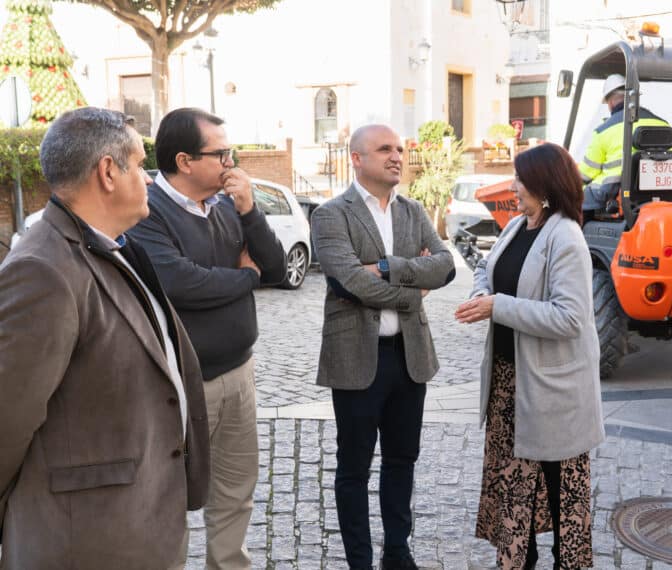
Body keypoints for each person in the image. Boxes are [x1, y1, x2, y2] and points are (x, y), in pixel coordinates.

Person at [0, 107, 210, 568]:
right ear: (108, 172)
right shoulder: (43, 269)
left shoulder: (114, 246)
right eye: (139, 164)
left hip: (137, 524)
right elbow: (7, 420)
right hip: (86, 540)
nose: (149, 178)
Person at [128, 107, 286, 569]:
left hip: (239, 372)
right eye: (221, 154)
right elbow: (180, 283)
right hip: (181, 384)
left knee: (236, 490)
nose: (231, 163)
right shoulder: (148, 210)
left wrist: (251, 211)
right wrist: (245, 277)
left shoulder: (227, 205)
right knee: (170, 495)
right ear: (185, 161)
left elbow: (276, 268)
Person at [311, 124, 455, 570]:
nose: (397, 156)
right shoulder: (331, 215)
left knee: (402, 459)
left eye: (400, 149)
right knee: (353, 468)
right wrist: (415, 289)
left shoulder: (412, 211)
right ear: (357, 158)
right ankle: (360, 561)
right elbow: (351, 282)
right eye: (384, 149)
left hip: (409, 357)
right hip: (357, 358)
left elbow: (446, 267)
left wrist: (388, 267)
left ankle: (397, 552)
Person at [455, 143, 605, 569]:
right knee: (514, 486)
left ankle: (565, 563)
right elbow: (486, 269)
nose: (514, 187)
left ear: (543, 184)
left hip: (554, 390)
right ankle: (520, 559)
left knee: (560, 492)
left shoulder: (566, 236)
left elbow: (570, 317)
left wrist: (497, 306)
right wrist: (482, 294)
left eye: (520, 179)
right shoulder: (517, 225)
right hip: (510, 382)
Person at [579, 73, 672, 219]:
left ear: (610, 102)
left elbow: (585, 174)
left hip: (615, 195)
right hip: (664, 195)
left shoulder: (603, 131)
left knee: (575, 197)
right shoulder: (663, 124)